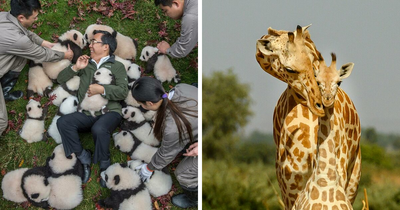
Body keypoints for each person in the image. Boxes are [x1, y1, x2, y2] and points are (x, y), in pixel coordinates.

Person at [56, 30, 128, 187]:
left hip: (109, 112)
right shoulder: (85, 64)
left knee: (99, 128)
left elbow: (123, 92)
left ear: (105, 47)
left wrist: (102, 90)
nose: (90, 45)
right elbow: (60, 79)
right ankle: (83, 157)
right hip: (86, 113)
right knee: (63, 122)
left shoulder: (117, 66)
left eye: (94, 42)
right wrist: (75, 67)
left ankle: (104, 163)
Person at [0, 0, 74, 135]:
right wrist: (65, 55)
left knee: (21, 55)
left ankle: (4, 89)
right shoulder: (18, 40)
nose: (37, 19)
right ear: (21, 17)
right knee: (1, 122)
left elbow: (25, 33)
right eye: (35, 17)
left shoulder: (4, 16)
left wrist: (43, 42)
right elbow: (42, 54)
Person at [132, 77, 198, 208]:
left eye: (141, 104)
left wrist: (149, 168)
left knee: (183, 173)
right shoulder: (182, 87)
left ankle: (195, 200)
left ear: (150, 103)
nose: (141, 106)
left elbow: (166, 154)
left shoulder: (172, 127)